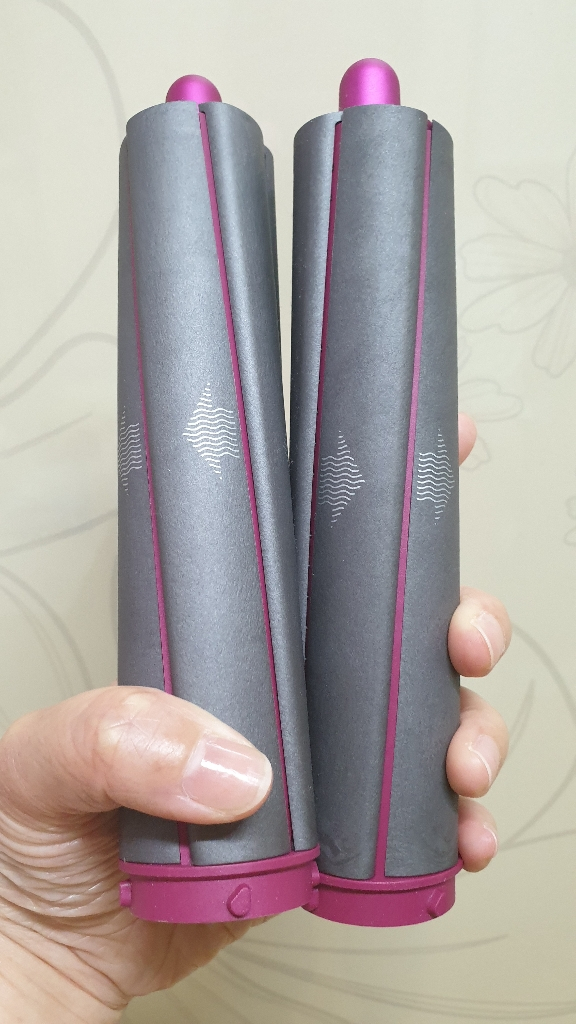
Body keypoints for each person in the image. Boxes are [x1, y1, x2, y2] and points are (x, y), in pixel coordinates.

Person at [0, 415, 510, 1023]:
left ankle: (365, 867)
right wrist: (35, 942)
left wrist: (43, 953)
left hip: (93, 923)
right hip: (110, 902)